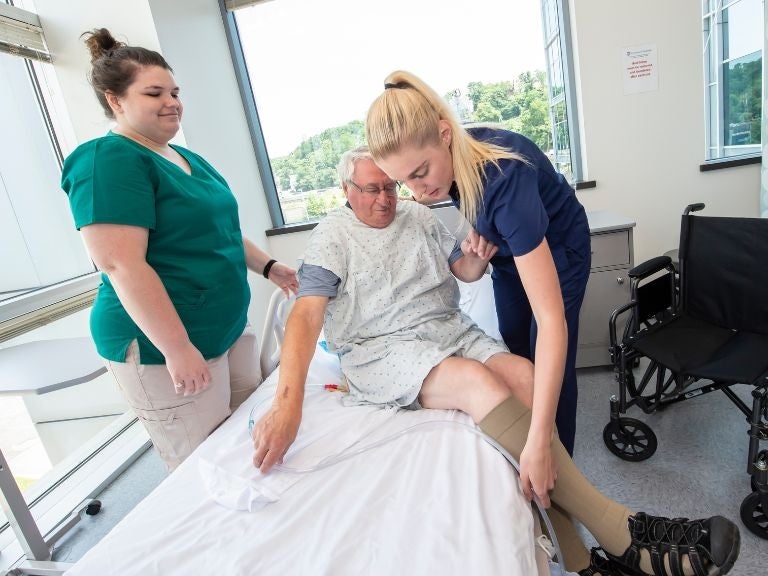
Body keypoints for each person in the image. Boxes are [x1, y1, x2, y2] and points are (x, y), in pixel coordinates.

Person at [251, 147, 740, 576]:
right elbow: (306, 317)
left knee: (526, 376)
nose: (384, 199)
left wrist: (478, 257)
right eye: (371, 190)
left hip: (446, 329)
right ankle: (619, 532)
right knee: (474, 381)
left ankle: (582, 561)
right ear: (345, 189)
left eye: (390, 187)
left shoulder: (418, 217)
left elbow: (462, 271)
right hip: (383, 347)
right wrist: (287, 404)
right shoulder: (332, 237)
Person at [61, 29, 298, 472]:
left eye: (174, 91)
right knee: (208, 465)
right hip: (166, 345)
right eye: (154, 93)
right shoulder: (107, 161)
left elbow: (220, 231)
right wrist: (177, 349)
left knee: (251, 435)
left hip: (225, 327)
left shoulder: (184, 157)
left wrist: (268, 267)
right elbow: (120, 264)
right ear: (116, 101)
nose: (171, 101)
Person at [366, 71, 591, 459]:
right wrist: (477, 227)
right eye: (404, 183)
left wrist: (539, 446)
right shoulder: (452, 158)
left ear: (444, 134)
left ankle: (559, 459)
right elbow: (473, 195)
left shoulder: (505, 178)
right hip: (509, 255)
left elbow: (553, 321)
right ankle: (528, 438)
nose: (417, 194)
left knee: (550, 352)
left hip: (559, 251)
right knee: (516, 348)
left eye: (420, 174)